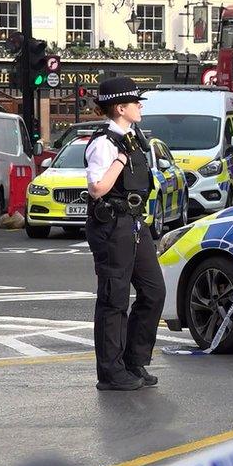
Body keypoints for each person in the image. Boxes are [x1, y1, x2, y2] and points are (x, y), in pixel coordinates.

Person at [84, 77, 166, 391]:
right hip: (111, 225)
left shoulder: (132, 136)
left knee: (154, 290)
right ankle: (111, 372)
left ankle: (134, 361)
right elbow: (97, 188)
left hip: (134, 223)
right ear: (121, 108)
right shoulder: (105, 142)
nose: (140, 106)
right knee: (113, 299)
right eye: (136, 102)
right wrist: (120, 157)